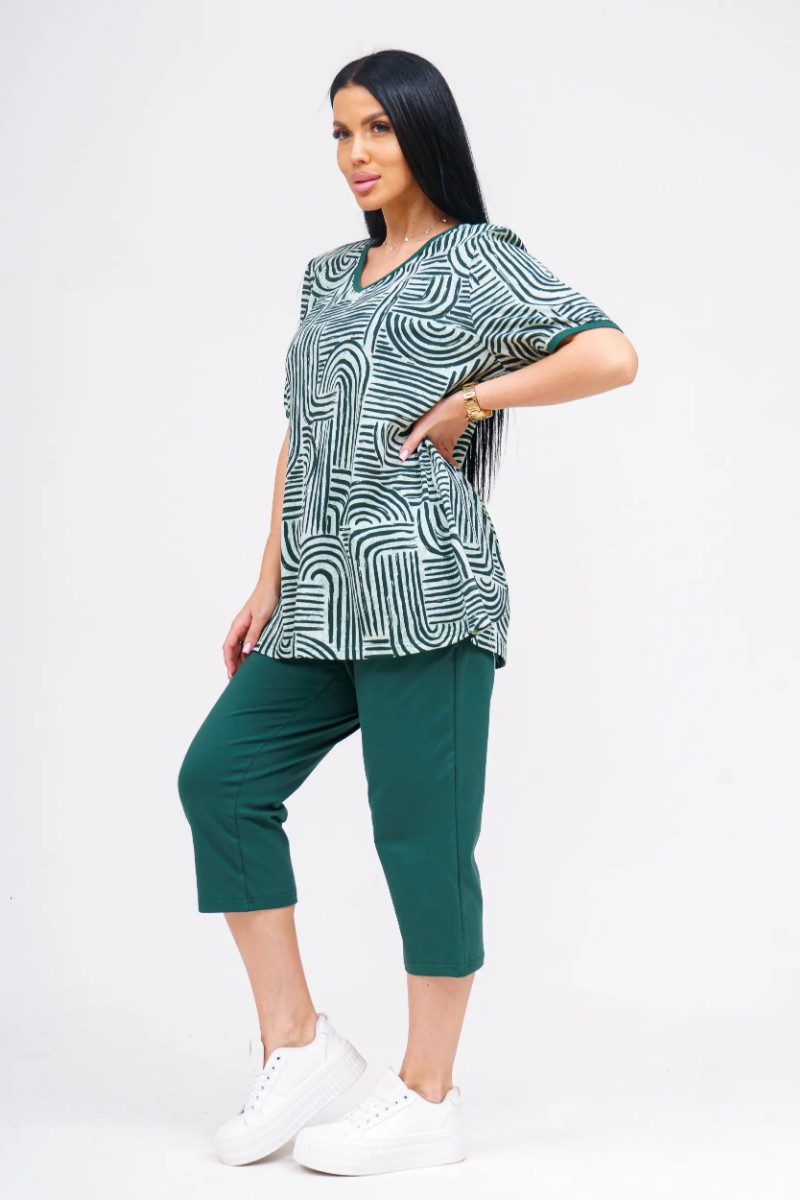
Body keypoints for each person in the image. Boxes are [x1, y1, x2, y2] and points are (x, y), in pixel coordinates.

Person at [177, 47, 638, 1177]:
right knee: (219, 782)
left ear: (424, 131)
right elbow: (305, 429)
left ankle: (429, 1093)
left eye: (377, 128)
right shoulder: (325, 276)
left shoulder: (479, 257)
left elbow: (610, 353)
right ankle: (297, 1045)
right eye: (340, 132)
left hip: (424, 592)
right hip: (318, 597)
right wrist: (269, 576)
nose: (355, 153)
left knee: (421, 843)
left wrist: (475, 397)